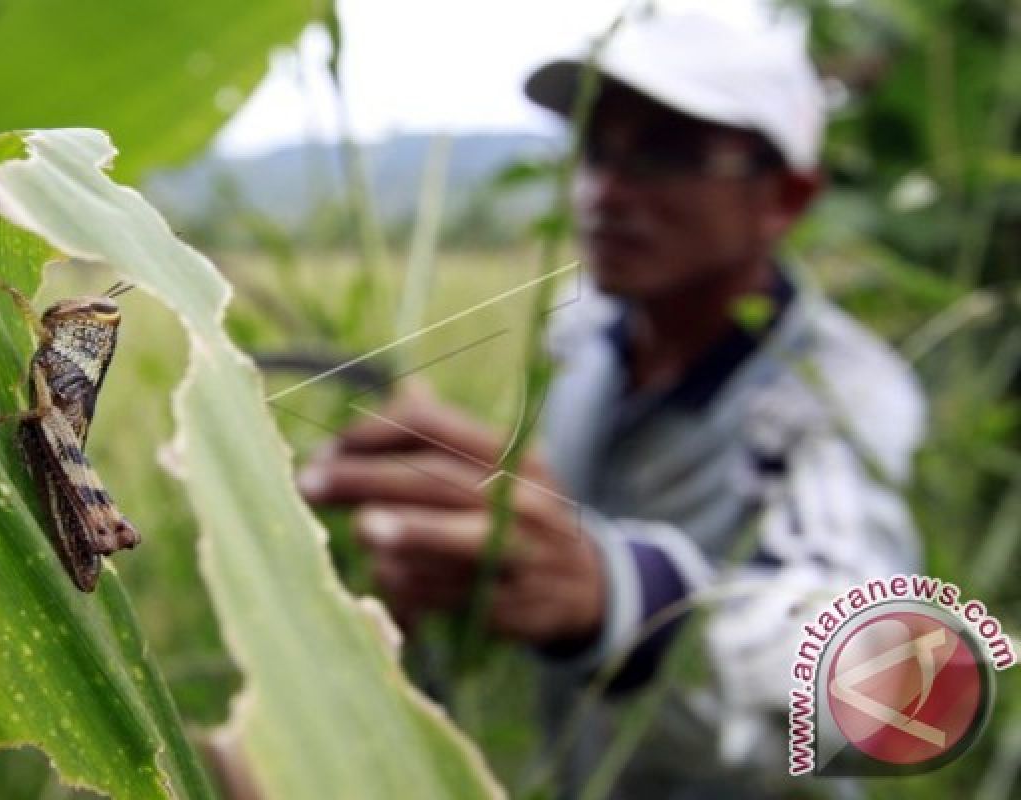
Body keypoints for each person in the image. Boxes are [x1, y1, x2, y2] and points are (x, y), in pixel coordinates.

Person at [297, 10, 925, 799]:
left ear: (785, 198)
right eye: (597, 148)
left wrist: (626, 600)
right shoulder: (585, 329)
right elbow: (561, 520)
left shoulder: (835, 395)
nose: (607, 190)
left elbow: (869, 682)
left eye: (667, 152)